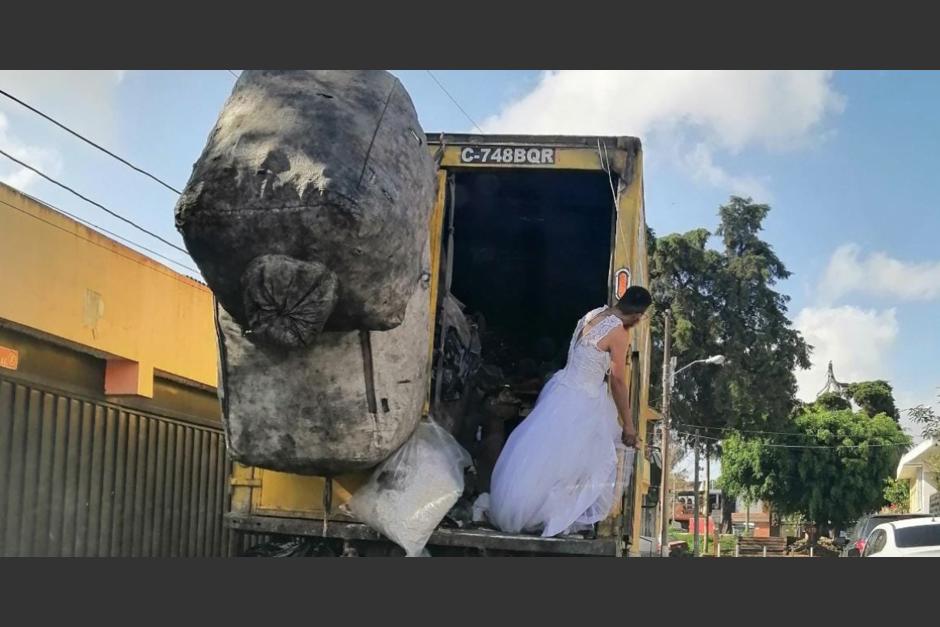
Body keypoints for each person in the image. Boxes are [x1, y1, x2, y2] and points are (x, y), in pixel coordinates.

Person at [488, 286, 653, 537]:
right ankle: (550, 516)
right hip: (583, 400)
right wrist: (628, 425)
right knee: (582, 463)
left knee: (543, 457)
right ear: (638, 314)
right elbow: (618, 381)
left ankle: (525, 509)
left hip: (562, 390)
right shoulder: (619, 332)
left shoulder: (593, 314)